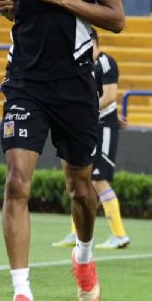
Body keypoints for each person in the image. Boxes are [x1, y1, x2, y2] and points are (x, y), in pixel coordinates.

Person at [0, 0, 125, 301]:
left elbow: (116, 19)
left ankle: (83, 257)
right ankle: (22, 292)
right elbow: (23, 15)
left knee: (80, 189)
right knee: (16, 183)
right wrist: (10, 9)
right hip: (25, 85)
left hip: (74, 87)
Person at [54, 28, 131, 250]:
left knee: (98, 180)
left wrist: (85, 111)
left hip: (104, 127)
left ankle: (119, 234)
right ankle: (76, 232)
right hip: (88, 127)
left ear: (94, 43)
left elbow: (108, 96)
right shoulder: (82, 65)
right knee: (80, 178)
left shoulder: (106, 63)